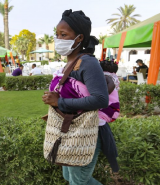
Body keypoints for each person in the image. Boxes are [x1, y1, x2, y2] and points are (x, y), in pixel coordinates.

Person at [42, 9, 117, 185]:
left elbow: (100, 99)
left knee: (78, 181)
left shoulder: (87, 63)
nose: (58, 39)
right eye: (57, 34)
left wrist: (59, 101)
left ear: (80, 38)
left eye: (64, 34)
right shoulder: (71, 62)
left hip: (85, 131)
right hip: (70, 129)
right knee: (70, 178)